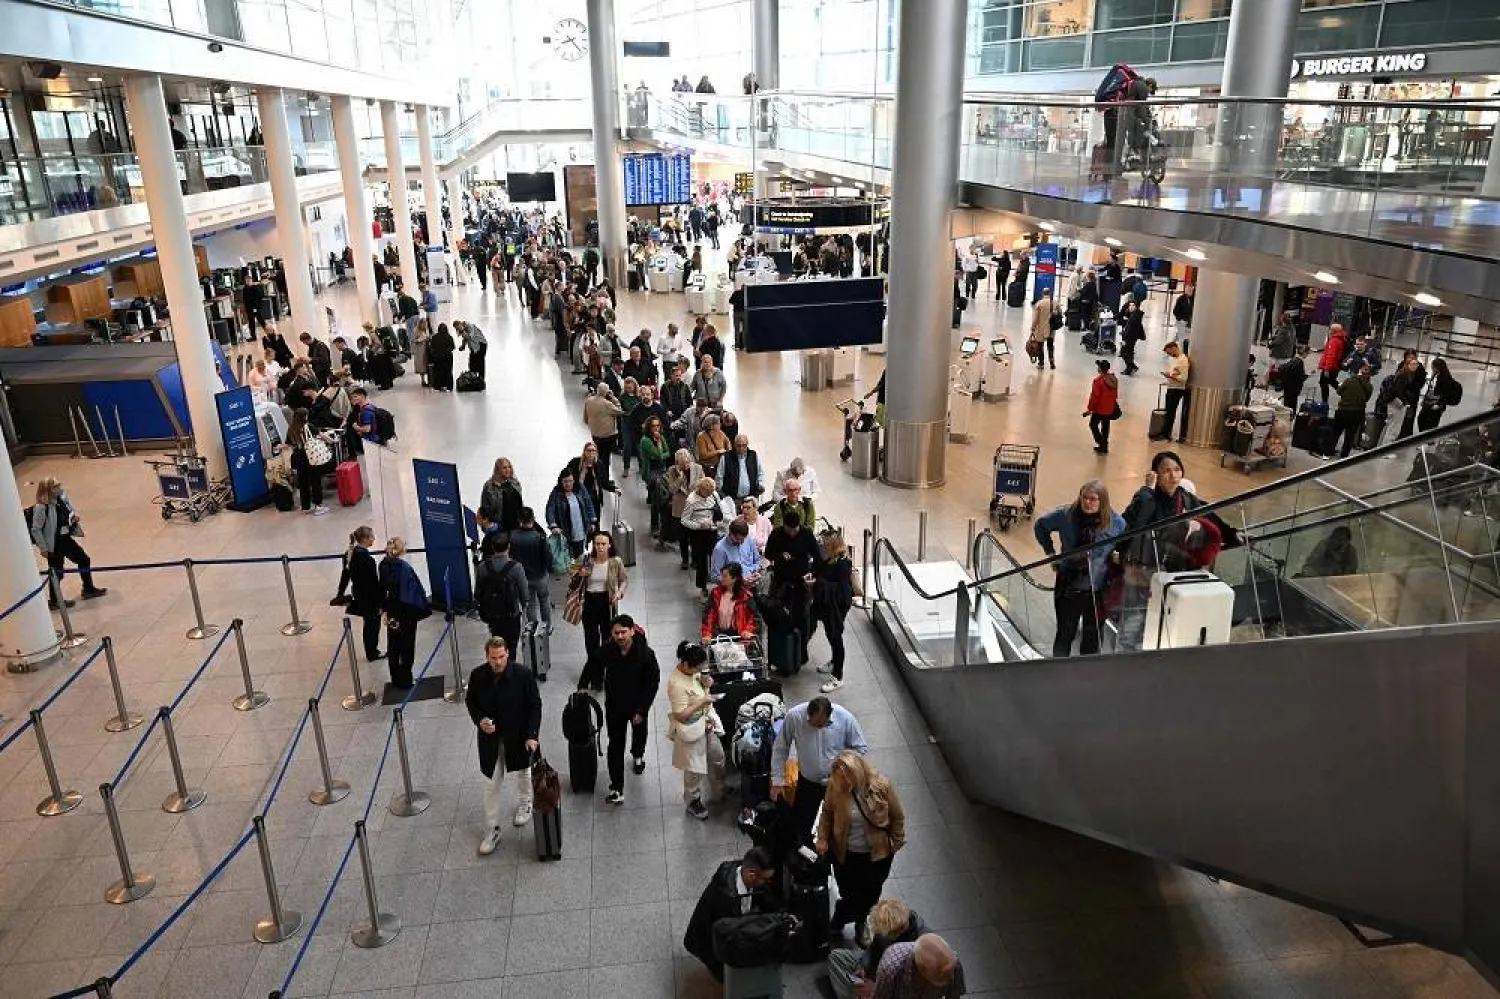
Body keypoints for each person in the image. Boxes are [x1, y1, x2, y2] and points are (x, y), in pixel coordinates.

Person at [1116, 452, 1234, 651]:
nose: (1173, 476)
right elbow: (1133, 524)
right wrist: (1147, 490)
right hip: (1142, 570)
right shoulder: (1145, 498)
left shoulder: (1186, 498)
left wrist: (1232, 533)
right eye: (1166, 471)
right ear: (1156, 475)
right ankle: (1126, 656)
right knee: (1135, 618)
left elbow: (1209, 515)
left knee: (1165, 615)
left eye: (1177, 470)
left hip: (1171, 570)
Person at [818, 750, 906, 943]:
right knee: (849, 891)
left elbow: (897, 817)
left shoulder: (882, 786)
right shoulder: (835, 787)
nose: (844, 783)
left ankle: (852, 921)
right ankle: (849, 919)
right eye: (840, 778)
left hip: (877, 854)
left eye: (847, 778)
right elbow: (827, 813)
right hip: (846, 853)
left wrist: (896, 842)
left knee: (871, 892)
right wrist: (822, 837)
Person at [466, 636, 543, 855]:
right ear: (487, 656)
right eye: (493, 658)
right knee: (491, 784)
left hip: (519, 736)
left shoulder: (523, 675)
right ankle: (492, 828)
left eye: (501, 657)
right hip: (490, 740)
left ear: (508, 653)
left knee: (524, 773)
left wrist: (532, 734)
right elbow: (471, 702)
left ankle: (526, 803)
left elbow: (534, 705)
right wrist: (480, 720)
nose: (498, 662)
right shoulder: (478, 675)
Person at [1035, 481, 1125, 657]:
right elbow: (1040, 526)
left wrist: (1117, 558)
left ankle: (1087, 674)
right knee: (1065, 633)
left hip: (1097, 589)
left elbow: (1124, 543)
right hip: (1069, 585)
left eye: (1093, 499)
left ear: (1103, 502)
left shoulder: (1116, 523)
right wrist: (1050, 552)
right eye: (1084, 497)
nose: (1087, 503)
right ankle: (1058, 671)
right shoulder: (1065, 515)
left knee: (1092, 638)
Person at [578, 615, 661, 804]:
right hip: (615, 705)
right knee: (615, 744)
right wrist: (583, 684)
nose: (620, 636)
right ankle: (617, 787)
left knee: (639, 732)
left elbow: (652, 683)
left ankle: (637, 755)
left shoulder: (645, 654)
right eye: (616, 633)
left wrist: (642, 710)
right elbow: (593, 662)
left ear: (632, 631)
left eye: (624, 632)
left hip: (637, 705)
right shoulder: (608, 650)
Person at [772, 696, 869, 843]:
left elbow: (860, 747)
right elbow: (781, 747)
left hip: (836, 784)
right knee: (802, 824)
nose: (818, 728)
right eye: (814, 724)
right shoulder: (794, 717)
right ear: (808, 715)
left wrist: (844, 767)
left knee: (838, 823)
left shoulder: (845, 718)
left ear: (830, 716)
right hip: (807, 783)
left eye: (822, 725)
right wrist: (778, 780)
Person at [683, 846, 780, 982]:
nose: (767, 883)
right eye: (766, 879)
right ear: (752, 875)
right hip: (709, 941)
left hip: (715, 930)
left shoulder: (740, 869)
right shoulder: (726, 898)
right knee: (726, 977)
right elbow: (729, 935)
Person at [667, 641, 724, 820]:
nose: (700, 670)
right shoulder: (676, 684)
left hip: (706, 724)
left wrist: (706, 683)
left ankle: (719, 788)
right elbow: (680, 715)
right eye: (697, 668)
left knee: (717, 757)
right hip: (690, 729)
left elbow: (699, 686)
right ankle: (693, 801)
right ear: (685, 664)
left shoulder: (694, 671)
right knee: (694, 770)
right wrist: (703, 701)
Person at [30, 477, 107, 606]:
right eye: (55, 486)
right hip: (54, 544)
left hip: (65, 539)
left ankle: (88, 588)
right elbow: (36, 529)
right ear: (48, 490)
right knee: (56, 572)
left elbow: (69, 512)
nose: (59, 488)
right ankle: (55, 601)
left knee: (83, 559)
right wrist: (43, 548)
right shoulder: (41, 507)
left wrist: (74, 518)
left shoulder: (61, 500)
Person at [378, 537, 430, 689]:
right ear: (401, 550)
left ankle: (395, 678)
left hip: (392, 611)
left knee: (393, 645)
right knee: (407, 646)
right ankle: (406, 678)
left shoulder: (383, 565)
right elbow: (414, 590)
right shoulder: (404, 567)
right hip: (406, 613)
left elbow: (382, 588)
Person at [571, 531, 629, 661]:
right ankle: (593, 663)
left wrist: (619, 592)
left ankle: (606, 662)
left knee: (608, 635)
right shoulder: (587, 560)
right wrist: (580, 573)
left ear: (609, 545)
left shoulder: (615, 561)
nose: (600, 547)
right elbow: (571, 572)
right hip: (589, 601)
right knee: (591, 637)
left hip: (607, 601)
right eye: (597, 544)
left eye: (603, 544)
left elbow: (624, 579)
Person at [810, 530, 855, 692]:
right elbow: (821, 571)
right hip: (828, 604)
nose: (824, 546)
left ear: (834, 545)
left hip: (837, 606)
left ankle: (838, 676)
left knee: (836, 637)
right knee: (830, 634)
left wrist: (820, 582)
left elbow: (842, 589)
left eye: (827, 544)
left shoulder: (842, 562)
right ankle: (834, 661)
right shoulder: (830, 557)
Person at [475, 533, 529, 654]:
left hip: (491, 614)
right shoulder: (516, 567)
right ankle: (510, 667)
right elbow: (524, 593)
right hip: (511, 614)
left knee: (496, 644)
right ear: (508, 547)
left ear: (492, 547)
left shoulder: (483, 567)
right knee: (512, 646)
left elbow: (477, 592)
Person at [872, 934, 967, 999]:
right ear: (922, 971)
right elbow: (881, 997)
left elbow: (954, 995)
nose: (950, 978)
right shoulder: (891, 967)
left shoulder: (952, 963)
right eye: (944, 978)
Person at [509, 507, 553, 634]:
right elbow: (547, 556)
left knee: (530, 603)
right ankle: (547, 627)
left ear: (519, 520)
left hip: (523, 577)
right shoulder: (539, 537)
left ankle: (533, 628)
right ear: (533, 518)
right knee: (544, 600)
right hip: (540, 575)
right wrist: (549, 568)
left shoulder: (513, 537)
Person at [344, 526, 383, 661]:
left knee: (368, 625)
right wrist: (379, 603)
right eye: (371, 536)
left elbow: (346, 575)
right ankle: (372, 652)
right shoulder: (367, 560)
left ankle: (371, 651)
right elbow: (373, 584)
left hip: (359, 594)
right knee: (372, 626)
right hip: (369, 599)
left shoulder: (350, 554)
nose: (374, 539)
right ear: (365, 539)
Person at [680, 476, 723, 594]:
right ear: (701, 490)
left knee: (716, 556)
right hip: (698, 534)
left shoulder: (714, 495)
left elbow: (720, 509)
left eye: (711, 492)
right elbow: (684, 520)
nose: (710, 494)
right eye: (707, 492)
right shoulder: (691, 500)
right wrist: (699, 525)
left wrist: (716, 522)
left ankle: (717, 583)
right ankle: (703, 587)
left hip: (712, 530)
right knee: (701, 561)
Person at [286, 408, 332, 515]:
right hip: (311, 457)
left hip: (299, 458)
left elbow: (288, 444)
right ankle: (318, 506)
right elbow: (322, 435)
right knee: (315, 481)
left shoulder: (291, 429)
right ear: (304, 417)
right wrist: (331, 440)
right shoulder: (308, 427)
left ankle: (305, 506)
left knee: (303, 483)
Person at [701, 561, 758, 642]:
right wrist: (707, 633)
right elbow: (708, 615)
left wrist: (748, 630)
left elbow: (754, 618)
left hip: (739, 637)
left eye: (724, 576)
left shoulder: (746, 597)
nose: (721, 579)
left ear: (734, 578)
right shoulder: (715, 593)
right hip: (718, 635)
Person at [545, 469, 597, 558]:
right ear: (561, 482)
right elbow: (550, 509)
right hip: (564, 533)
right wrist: (553, 525)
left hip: (580, 531)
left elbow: (589, 504)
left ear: (574, 480)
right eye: (565, 481)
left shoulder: (580, 488)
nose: (568, 484)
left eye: (570, 481)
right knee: (567, 557)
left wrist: (592, 520)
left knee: (579, 557)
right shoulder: (556, 493)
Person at [666, 449, 703, 569]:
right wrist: (680, 477)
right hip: (680, 508)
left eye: (687, 462)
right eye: (682, 464)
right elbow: (672, 489)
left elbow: (703, 485)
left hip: (695, 506)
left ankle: (696, 559)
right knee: (683, 536)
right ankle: (685, 559)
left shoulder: (698, 468)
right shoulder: (672, 470)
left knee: (695, 536)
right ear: (677, 463)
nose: (686, 466)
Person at [1331, 362, 1373, 459]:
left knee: (1336, 431)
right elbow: (1366, 398)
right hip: (1357, 412)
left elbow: (1338, 391)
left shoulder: (1348, 381)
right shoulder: (1369, 386)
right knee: (1350, 434)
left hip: (1343, 410)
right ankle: (1344, 454)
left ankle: (1330, 449)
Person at [1152, 341, 1190, 443]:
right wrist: (1170, 376)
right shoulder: (1177, 359)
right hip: (1172, 388)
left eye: (1169, 352)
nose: (1169, 355)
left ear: (1174, 348)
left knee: (1171, 412)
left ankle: (1166, 434)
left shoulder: (1183, 360)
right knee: (1168, 412)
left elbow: (1183, 378)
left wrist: (1170, 376)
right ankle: (1164, 432)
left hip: (1177, 390)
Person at [583, 385, 624, 471]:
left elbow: (585, 419)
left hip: (595, 434)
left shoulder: (588, 401)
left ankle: (598, 476)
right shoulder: (607, 404)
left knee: (599, 455)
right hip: (608, 436)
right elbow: (620, 411)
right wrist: (613, 398)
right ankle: (604, 479)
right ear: (607, 392)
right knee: (606, 458)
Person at [1417, 357, 1463, 433]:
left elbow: (1444, 394)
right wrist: (1425, 400)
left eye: (1433, 367)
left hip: (1435, 406)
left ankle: (1428, 442)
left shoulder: (1445, 380)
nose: (1432, 368)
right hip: (1429, 404)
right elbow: (1431, 389)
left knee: (1429, 426)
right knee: (1421, 421)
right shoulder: (1435, 376)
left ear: (1437, 368)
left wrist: (1439, 404)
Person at [1084, 359, 1119, 455]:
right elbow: (1116, 395)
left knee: (1093, 425)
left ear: (1100, 369)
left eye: (1098, 366)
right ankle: (1104, 445)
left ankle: (1101, 443)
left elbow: (1094, 397)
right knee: (1106, 426)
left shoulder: (1098, 382)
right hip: (1109, 408)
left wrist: (1090, 409)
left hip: (1099, 409)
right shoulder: (1113, 379)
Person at [478, 457, 524, 532]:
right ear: (497, 470)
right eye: (504, 468)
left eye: (509, 467)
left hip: (515, 522)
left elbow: (519, 502)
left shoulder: (514, 482)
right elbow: (485, 507)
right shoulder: (489, 486)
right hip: (499, 523)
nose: (508, 470)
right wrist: (487, 523)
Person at [716, 434, 764, 502]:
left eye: (744, 445)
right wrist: (722, 496)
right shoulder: (726, 457)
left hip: (750, 498)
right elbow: (719, 477)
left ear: (747, 444)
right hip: (731, 499)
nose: (741, 448)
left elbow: (760, 473)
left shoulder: (753, 455)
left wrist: (761, 484)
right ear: (734, 445)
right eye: (739, 446)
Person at [1319, 322, 1350, 404]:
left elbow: (1331, 356)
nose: (1329, 331)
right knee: (1332, 381)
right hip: (1335, 366)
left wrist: (1326, 369)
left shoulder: (1334, 341)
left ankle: (1324, 401)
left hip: (1330, 367)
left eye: (1330, 329)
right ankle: (1344, 393)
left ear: (1333, 331)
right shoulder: (1341, 339)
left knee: (1323, 383)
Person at [694, 413, 732, 479]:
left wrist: (728, 452)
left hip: (720, 466)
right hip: (708, 467)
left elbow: (728, 442)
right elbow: (703, 455)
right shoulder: (701, 437)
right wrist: (718, 452)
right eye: (718, 423)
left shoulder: (720, 433)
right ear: (711, 426)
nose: (720, 424)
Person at [1029, 289, 1056, 369]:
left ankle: (1041, 364)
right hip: (1051, 328)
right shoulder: (1054, 302)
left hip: (1041, 329)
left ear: (1043, 294)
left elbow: (1035, 319)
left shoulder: (1039, 304)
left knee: (1040, 346)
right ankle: (1052, 362)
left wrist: (1033, 328)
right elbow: (1060, 313)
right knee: (1050, 345)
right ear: (1050, 293)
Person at [1279, 344, 1311, 409]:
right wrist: (1307, 375)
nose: (1307, 356)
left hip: (1287, 386)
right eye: (1307, 354)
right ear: (1304, 353)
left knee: (1286, 405)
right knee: (1291, 406)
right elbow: (1300, 377)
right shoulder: (1299, 362)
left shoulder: (1293, 360)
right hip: (1293, 388)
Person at [426, 321, 455, 391]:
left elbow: (432, 347)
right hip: (448, 357)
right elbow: (453, 347)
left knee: (438, 372)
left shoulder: (434, 337)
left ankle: (438, 386)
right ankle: (449, 386)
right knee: (448, 371)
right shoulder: (449, 337)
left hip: (438, 357)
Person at [1118, 300, 1145, 376]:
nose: (1131, 307)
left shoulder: (1134, 316)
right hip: (1133, 337)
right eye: (1130, 305)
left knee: (1124, 353)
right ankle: (1129, 369)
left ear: (1136, 307)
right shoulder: (1136, 314)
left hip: (1129, 338)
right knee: (1129, 353)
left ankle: (1132, 367)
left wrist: (1124, 340)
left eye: (1133, 305)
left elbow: (1130, 329)